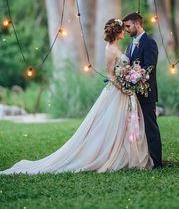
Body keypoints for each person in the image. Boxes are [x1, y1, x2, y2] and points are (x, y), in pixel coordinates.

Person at [0, 18, 153, 175]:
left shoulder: (117, 47)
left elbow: (121, 69)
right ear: (118, 32)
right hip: (116, 92)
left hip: (123, 91)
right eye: (123, 29)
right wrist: (123, 88)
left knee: (123, 124)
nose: (125, 32)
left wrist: (130, 77)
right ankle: (107, 154)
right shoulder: (110, 49)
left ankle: (124, 155)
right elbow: (110, 75)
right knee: (109, 125)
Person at [122, 12, 162, 168]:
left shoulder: (149, 42)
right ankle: (141, 159)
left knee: (150, 127)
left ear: (137, 24)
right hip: (132, 94)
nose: (126, 29)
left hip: (146, 92)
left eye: (128, 26)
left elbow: (149, 67)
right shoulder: (130, 44)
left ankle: (157, 162)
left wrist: (135, 77)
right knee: (135, 129)